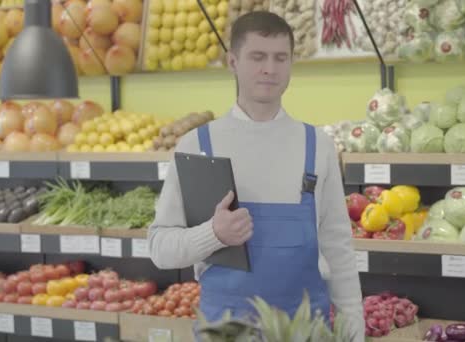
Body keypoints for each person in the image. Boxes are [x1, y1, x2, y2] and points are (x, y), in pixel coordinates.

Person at [147, 10, 364, 340]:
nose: (270, 69)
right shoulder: (199, 145)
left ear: (292, 63)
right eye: (257, 56)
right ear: (232, 61)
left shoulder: (317, 145)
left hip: (306, 330)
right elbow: (161, 249)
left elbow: (339, 250)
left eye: (281, 58)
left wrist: (352, 331)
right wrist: (213, 234)